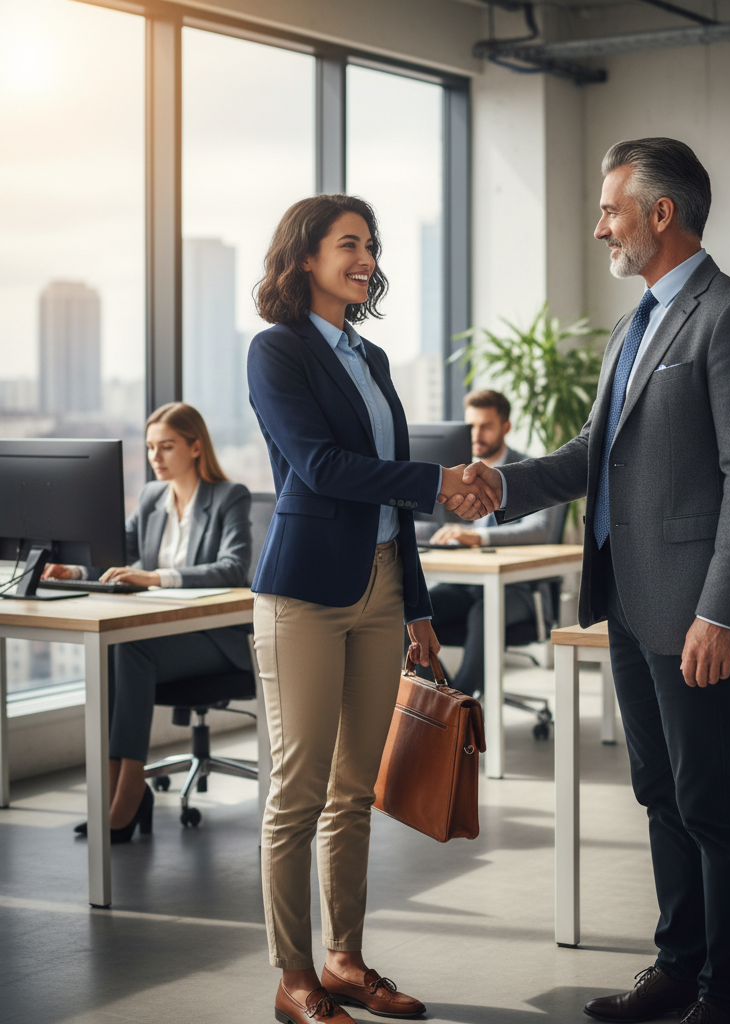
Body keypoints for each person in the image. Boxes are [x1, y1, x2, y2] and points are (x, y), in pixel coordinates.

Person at [461, 138, 730, 1024]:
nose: (598, 224)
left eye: (610, 209)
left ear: (661, 213)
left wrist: (722, 609)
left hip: (695, 611)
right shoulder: (634, 324)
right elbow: (590, 456)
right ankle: (678, 966)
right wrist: (501, 485)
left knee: (713, 803)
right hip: (630, 602)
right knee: (659, 794)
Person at [247, 194, 498, 1024]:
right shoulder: (276, 351)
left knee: (355, 786)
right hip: (307, 593)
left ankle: (345, 960)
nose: (366, 257)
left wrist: (418, 604)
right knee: (299, 790)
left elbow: (387, 502)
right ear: (305, 258)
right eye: (348, 243)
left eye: (372, 245)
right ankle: (294, 979)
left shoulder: (373, 357)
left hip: (386, 582)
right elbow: (319, 466)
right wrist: (436, 482)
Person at [42, 402, 252, 843]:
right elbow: (117, 552)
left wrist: (156, 576)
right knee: (114, 647)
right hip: (167, 635)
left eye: (167, 447)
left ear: (196, 447)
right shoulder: (154, 497)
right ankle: (119, 786)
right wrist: (76, 571)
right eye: (151, 447)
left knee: (130, 647)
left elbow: (234, 568)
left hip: (218, 638)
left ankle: (130, 789)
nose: (156, 457)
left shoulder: (229, 496)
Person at [414, 388, 559, 696]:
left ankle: (463, 707)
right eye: (471, 426)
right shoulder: (457, 473)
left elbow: (541, 530)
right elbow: (437, 528)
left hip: (518, 590)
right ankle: (445, 701)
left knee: (485, 611)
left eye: (486, 425)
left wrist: (477, 536)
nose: (476, 434)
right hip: (464, 585)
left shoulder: (527, 469)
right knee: (413, 612)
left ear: (505, 427)